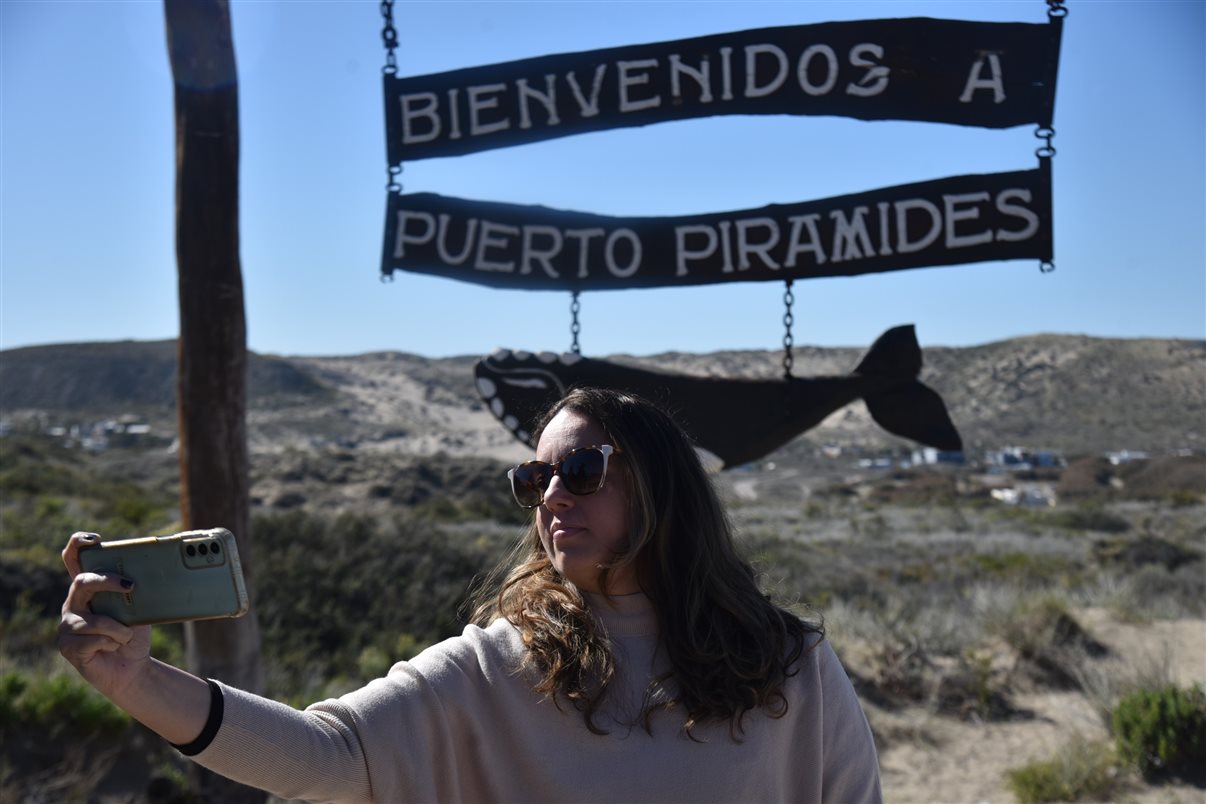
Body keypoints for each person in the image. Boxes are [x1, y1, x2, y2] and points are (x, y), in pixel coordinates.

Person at [59, 387, 882, 803]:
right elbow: (322, 756)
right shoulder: (498, 665)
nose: (554, 495)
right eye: (535, 479)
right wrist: (136, 682)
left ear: (662, 487)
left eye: (583, 471)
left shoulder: (790, 664)